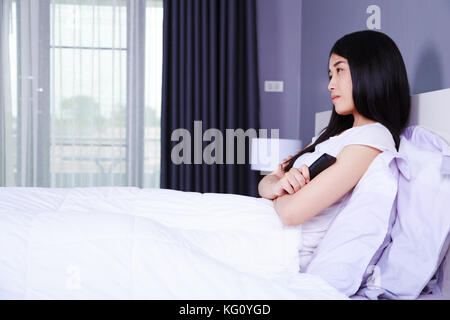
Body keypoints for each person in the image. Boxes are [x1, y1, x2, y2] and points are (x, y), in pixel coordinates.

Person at [258, 30, 410, 270]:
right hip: (264, 225)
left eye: (339, 70)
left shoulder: (372, 137)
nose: (330, 84)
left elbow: (291, 214)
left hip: (281, 244)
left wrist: (278, 191)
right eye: (330, 73)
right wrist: (277, 185)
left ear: (371, 71)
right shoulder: (326, 136)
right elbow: (266, 182)